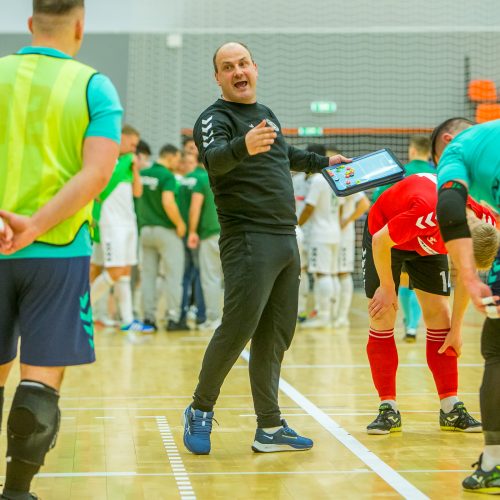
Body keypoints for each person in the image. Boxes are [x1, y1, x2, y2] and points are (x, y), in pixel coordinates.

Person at [183, 41, 351, 455]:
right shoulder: (213, 118)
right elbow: (216, 159)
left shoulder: (266, 115)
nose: (238, 71)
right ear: (217, 76)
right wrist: (244, 146)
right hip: (247, 239)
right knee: (238, 328)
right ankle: (200, 409)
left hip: (284, 237)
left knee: (275, 335)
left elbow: (285, 154)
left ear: (255, 68)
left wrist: (322, 163)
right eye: (228, 66)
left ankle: (270, 427)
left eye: (243, 63)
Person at [0, 1, 122, 498]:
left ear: (29, 24)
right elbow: (97, 172)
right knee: (39, 385)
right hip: (58, 249)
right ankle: (17, 492)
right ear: (80, 26)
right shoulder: (94, 85)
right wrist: (35, 224)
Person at [363, 173, 498, 436]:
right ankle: (387, 407)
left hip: (430, 242)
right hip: (387, 234)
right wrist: (388, 288)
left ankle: (450, 407)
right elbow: (381, 240)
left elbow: (465, 277)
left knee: (441, 317)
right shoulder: (428, 213)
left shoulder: (486, 222)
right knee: (383, 314)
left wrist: (456, 330)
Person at [432, 117, 500, 493]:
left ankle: (494, 462)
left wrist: (470, 277)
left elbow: (450, 210)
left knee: (496, 348)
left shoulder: (454, 152)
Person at [89, 125, 152, 333]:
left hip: (129, 223)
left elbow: (137, 191)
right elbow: (97, 190)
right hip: (111, 224)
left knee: (124, 272)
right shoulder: (108, 158)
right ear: (121, 139)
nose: (134, 149)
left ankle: (127, 320)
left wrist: (133, 167)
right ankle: (82, 309)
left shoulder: (128, 164)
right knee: (114, 270)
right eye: (132, 144)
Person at [372, 135, 435, 341]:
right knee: (419, 286)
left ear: (413, 151)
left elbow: (377, 200)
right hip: (431, 238)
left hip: (397, 237)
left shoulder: (399, 171)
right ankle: (413, 327)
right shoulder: (439, 173)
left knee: (404, 282)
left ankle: (408, 324)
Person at [136, 144, 187, 331]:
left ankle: (148, 318)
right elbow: (168, 201)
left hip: (145, 231)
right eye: (178, 159)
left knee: (148, 276)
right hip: (165, 231)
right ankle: (173, 318)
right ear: (171, 156)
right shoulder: (167, 176)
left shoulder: (143, 174)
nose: (178, 163)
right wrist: (180, 224)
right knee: (173, 275)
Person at [298, 144, 344, 329]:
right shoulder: (334, 177)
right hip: (334, 232)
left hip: (320, 233)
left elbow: (309, 207)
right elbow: (339, 208)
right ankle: (331, 314)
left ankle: (324, 317)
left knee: (322, 274)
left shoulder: (318, 179)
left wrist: (296, 224)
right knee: (331, 275)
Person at [187, 159, 223, 330]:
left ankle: (213, 319)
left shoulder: (202, 179)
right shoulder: (229, 173)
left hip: (210, 234)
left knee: (211, 278)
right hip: (232, 232)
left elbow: (195, 208)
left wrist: (192, 231)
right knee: (233, 279)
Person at [177, 149, 207, 327]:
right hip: (196, 235)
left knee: (185, 275)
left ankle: (181, 313)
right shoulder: (202, 179)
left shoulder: (180, 183)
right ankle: (201, 314)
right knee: (200, 274)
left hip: (182, 234)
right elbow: (196, 209)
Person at [336, 190, 370, 328]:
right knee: (329, 274)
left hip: (343, 235)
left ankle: (342, 317)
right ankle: (331, 314)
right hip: (330, 232)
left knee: (343, 273)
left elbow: (364, 203)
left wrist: (347, 220)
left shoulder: (345, 178)